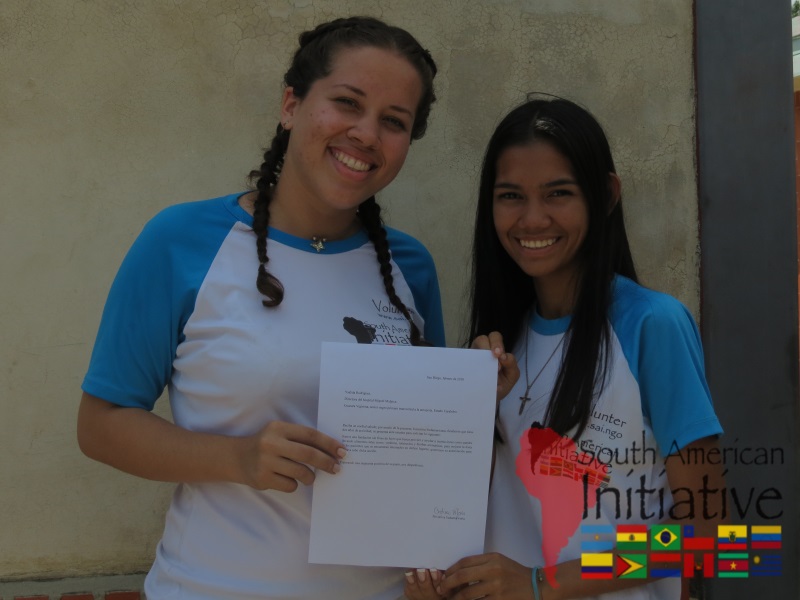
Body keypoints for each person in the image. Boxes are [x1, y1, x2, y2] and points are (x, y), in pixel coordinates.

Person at [77, 16, 444, 600]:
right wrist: (238, 458)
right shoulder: (181, 240)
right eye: (347, 102)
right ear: (291, 103)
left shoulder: (410, 268)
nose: (367, 134)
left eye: (394, 122)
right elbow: (100, 427)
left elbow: (422, 452)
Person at [404, 97, 725, 599]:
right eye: (510, 196)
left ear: (607, 194)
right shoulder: (493, 350)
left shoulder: (651, 326)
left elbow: (719, 541)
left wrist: (541, 583)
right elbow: (475, 523)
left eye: (558, 193)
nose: (532, 219)